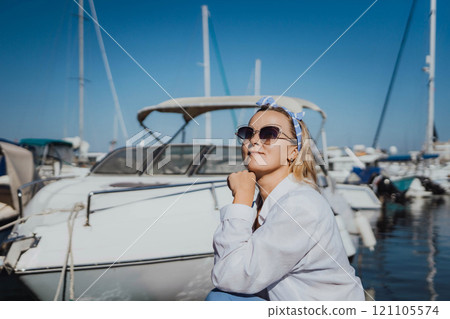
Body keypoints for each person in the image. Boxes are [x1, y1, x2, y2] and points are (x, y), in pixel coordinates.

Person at [205, 96, 365, 301]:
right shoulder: (270, 203)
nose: (253, 140)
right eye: (248, 133)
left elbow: (230, 276)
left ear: (293, 151)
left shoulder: (300, 205)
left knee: (221, 300)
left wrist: (242, 199)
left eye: (269, 134)